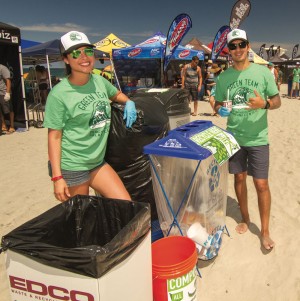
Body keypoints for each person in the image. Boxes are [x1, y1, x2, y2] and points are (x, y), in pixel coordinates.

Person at [43, 31, 137, 202]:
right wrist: (57, 178)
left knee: (126, 205)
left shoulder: (99, 81)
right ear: (66, 59)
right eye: (76, 53)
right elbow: (54, 137)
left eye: (88, 51)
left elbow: (115, 94)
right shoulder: (59, 94)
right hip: (73, 165)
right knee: (82, 217)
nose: (84, 57)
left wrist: (129, 102)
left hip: (97, 161)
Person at [214, 29, 281, 250]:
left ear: (248, 46)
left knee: (261, 184)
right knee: (239, 179)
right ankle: (244, 218)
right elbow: (216, 102)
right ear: (229, 51)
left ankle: (264, 231)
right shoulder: (224, 77)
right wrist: (218, 109)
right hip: (234, 137)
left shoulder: (262, 73)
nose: (237, 49)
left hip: (259, 138)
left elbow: (277, 100)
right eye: (233, 46)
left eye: (241, 44)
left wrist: (265, 105)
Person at [0, 63, 14, 134]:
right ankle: (4, 125)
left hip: (4, 92)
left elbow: (8, 80)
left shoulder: (2, 68)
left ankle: (12, 126)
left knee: (9, 109)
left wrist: (7, 93)